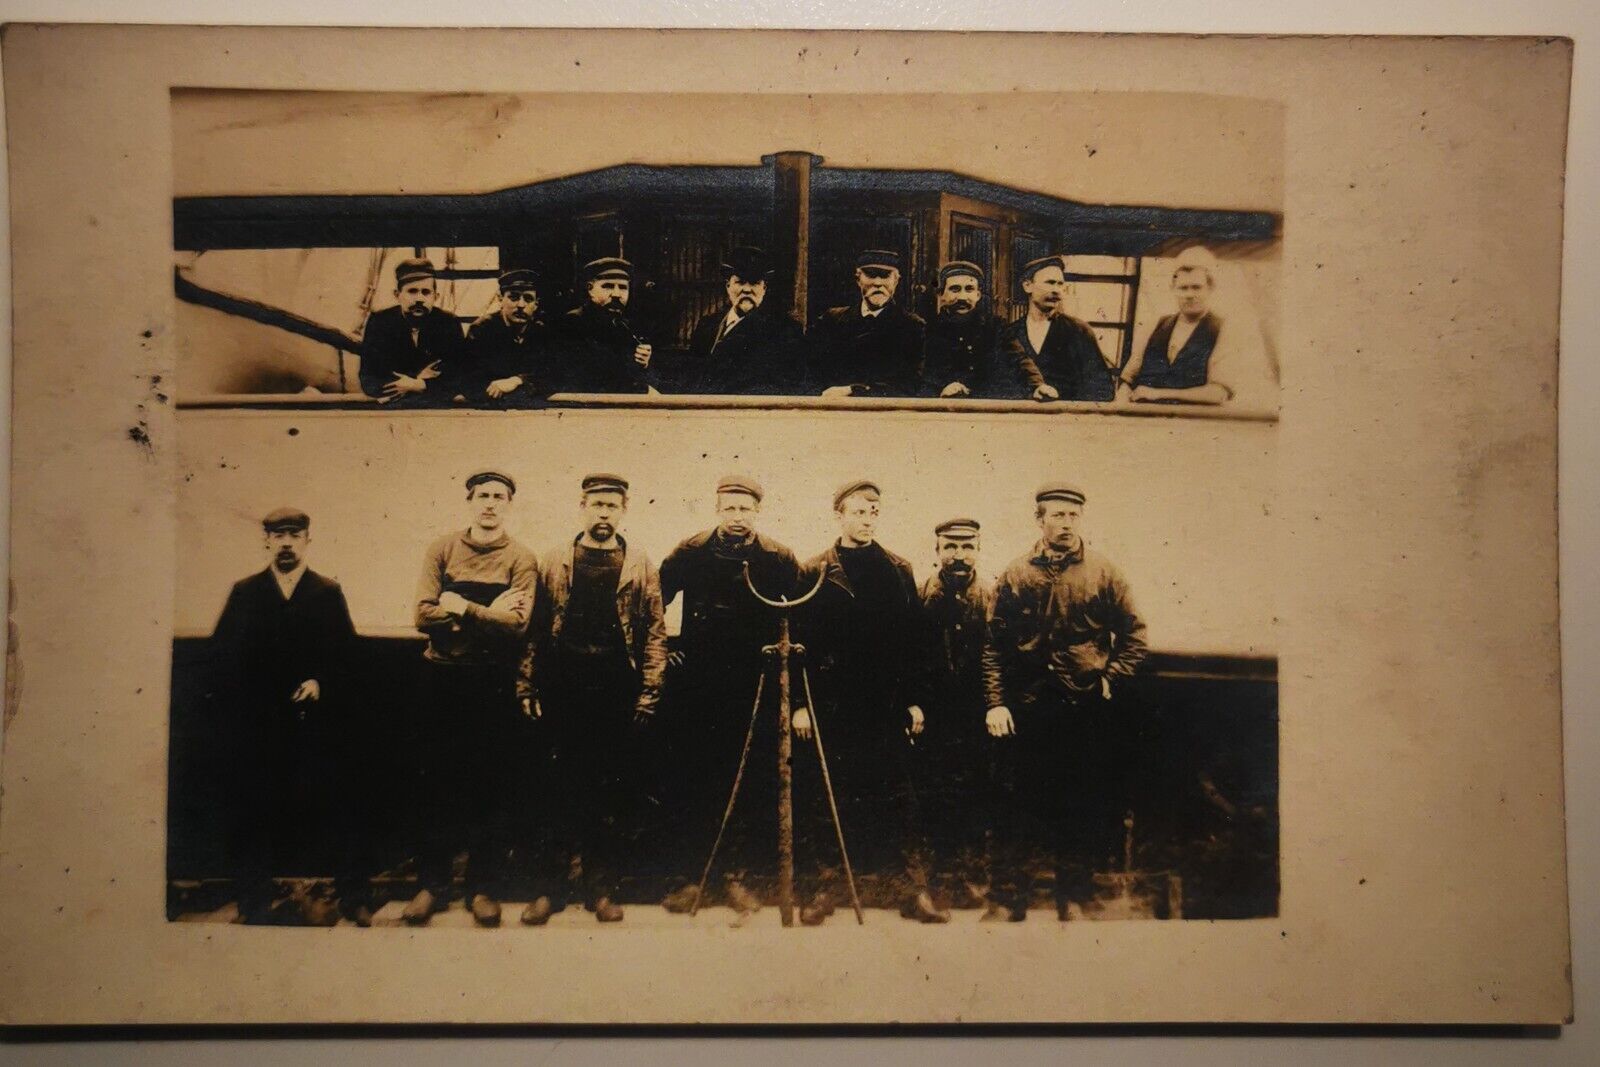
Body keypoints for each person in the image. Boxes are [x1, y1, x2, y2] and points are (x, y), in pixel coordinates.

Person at [981, 483, 1148, 921]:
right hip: (1027, 708)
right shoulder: (1017, 574)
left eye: (1074, 515)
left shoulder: (1105, 573)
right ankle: (1008, 899)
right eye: (1058, 516)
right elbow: (994, 646)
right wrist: (997, 702)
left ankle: (1074, 896)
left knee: (1081, 800)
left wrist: (1112, 676)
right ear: (1040, 521)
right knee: (1016, 805)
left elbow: (1134, 636)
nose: (1067, 523)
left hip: (1083, 706)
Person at [791, 479, 947, 925]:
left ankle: (908, 892)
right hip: (831, 708)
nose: (867, 519)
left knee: (897, 799)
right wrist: (801, 705)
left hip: (885, 705)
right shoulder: (815, 570)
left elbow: (914, 642)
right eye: (858, 511)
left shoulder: (898, 569)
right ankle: (825, 889)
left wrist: (915, 701)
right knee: (827, 799)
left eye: (874, 511)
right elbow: (799, 644)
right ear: (839, 514)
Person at [522, 474, 668, 923]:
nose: (603, 513)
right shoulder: (554, 562)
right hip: (563, 689)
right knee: (557, 789)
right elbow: (532, 629)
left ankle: (600, 890)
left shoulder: (639, 564)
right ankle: (550, 890)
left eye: (612, 506)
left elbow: (655, 633)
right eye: (596, 504)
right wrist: (526, 684)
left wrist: (648, 693)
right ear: (581, 505)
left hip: (614, 692)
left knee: (609, 794)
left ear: (624, 510)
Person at [207, 508, 363, 925]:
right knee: (252, 807)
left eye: (295, 534)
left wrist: (319, 681)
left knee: (335, 801)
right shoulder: (246, 592)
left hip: (315, 723)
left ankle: (348, 896)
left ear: (308, 539)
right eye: (279, 535)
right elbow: (223, 657)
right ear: (267, 541)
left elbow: (346, 656)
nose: (287, 543)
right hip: (260, 725)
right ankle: (252, 901)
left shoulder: (327, 592)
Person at [657, 476, 802, 915]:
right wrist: (667, 647)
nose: (738, 518)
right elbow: (651, 604)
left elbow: (797, 620)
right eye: (730, 509)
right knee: (694, 778)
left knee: (749, 780)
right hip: (699, 686)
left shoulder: (777, 558)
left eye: (746, 510)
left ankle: (737, 879)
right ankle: (690, 879)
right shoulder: (690, 552)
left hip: (753, 685)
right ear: (717, 509)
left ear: (758, 511)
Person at [404, 471, 538, 928]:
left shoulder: (521, 558)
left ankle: (483, 888)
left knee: (489, 785)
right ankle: (432, 885)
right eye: (482, 496)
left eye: (500, 497)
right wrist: (488, 614)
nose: (490, 504)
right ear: (469, 501)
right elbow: (422, 615)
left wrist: (461, 607)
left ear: (510, 505)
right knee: (436, 783)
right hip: (440, 679)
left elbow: (517, 626)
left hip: (492, 683)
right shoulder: (442, 549)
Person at [916, 518, 995, 910]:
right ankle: (938, 882)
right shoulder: (918, 596)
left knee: (976, 794)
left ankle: (969, 878)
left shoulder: (994, 597)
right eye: (950, 547)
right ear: (937, 552)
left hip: (978, 715)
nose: (959, 556)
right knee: (933, 796)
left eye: (967, 547)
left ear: (978, 549)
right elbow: (907, 656)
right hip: (932, 716)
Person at [1117, 247, 1236, 405]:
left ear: (1210, 288)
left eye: (1196, 287)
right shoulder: (1156, 325)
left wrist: (1159, 394)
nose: (1189, 295)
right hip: (1145, 422)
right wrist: (1121, 403)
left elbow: (1218, 393)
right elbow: (1128, 380)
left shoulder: (1223, 329)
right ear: (1173, 289)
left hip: (1194, 424)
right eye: (1183, 288)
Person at [684, 246, 807, 395]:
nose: (747, 289)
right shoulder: (707, 324)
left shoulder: (784, 329)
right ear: (728, 286)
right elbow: (691, 376)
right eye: (740, 282)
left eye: (754, 283)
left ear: (764, 288)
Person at [807, 249, 926, 397]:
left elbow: (909, 383)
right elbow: (811, 371)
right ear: (858, 280)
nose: (877, 283)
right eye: (870, 275)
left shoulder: (911, 326)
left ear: (896, 281)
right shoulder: (832, 320)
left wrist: (854, 390)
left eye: (885, 276)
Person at [999, 256, 1116, 402]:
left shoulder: (1078, 331)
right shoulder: (1010, 333)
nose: (1056, 290)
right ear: (1027, 286)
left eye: (1060, 284)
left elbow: (1101, 388)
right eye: (1050, 283)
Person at [357, 257, 464, 404]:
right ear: (397, 295)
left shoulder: (448, 323)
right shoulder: (380, 322)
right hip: (394, 409)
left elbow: (459, 379)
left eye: (426, 292)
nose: (419, 299)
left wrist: (418, 385)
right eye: (412, 291)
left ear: (435, 297)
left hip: (436, 410)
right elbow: (368, 380)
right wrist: (420, 379)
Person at [553, 258, 654, 395]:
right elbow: (586, 376)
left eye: (623, 287)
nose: (616, 294)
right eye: (608, 286)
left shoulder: (624, 326)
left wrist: (643, 364)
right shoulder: (574, 322)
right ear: (590, 289)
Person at [457, 267, 552, 405]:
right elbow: (469, 381)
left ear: (536, 304)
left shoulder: (541, 332)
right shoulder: (482, 330)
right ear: (500, 299)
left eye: (528, 299)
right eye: (513, 297)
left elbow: (552, 375)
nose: (521, 305)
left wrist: (517, 380)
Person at [922, 262, 1005, 398]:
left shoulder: (995, 328)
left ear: (978, 295)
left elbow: (1002, 375)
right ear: (941, 294)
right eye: (955, 289)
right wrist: (943, 389)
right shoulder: (928, 329)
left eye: (969, 289)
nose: (962, 297)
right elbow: (923, 376)